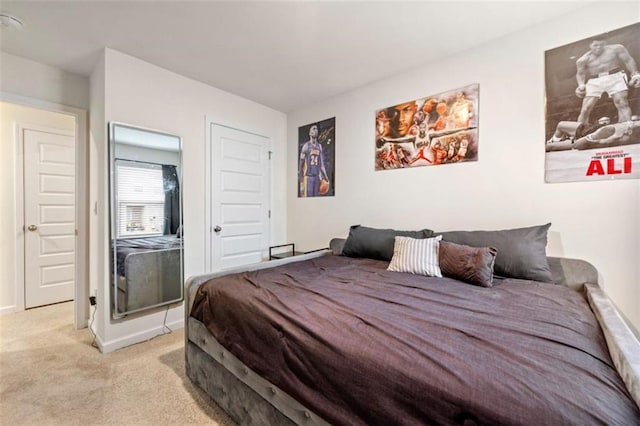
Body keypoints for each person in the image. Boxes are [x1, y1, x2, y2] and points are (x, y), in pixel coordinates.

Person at [575, 39, 640, 125]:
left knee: (622, 102)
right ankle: (578, 132)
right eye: (595, 45)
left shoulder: (616, 48)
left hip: (615, 76)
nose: (598, 47)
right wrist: (581, 85)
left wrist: (635, 74)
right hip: (595, 80)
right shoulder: (583, 60)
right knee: (586, 108)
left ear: (604, 44)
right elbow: (580, 74)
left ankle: (627, 127)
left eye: (601, 45)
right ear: (590, 45)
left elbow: (628, 60)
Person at [573, 115, 640, 150]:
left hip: (591, 136)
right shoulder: (609, 130)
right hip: (583, 133)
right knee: (562, 125)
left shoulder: (631, 132)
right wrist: (601, 142)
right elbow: (576, 145)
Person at [546, 117, 611, 151]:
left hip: (585, 138)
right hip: (588, 129)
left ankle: (554, 142)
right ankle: (554, 141)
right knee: (560, 125)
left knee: (550, 146)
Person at [299, 124, 329, 197]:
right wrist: (301, 183)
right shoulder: (306, 146)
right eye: (313, 129)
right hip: (308, 178)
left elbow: (321, 165)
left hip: (317, 178)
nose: (315, 130)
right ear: (310, 133)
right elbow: (300, 166)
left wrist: (326, 179)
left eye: (316, 129)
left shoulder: (319, 146)